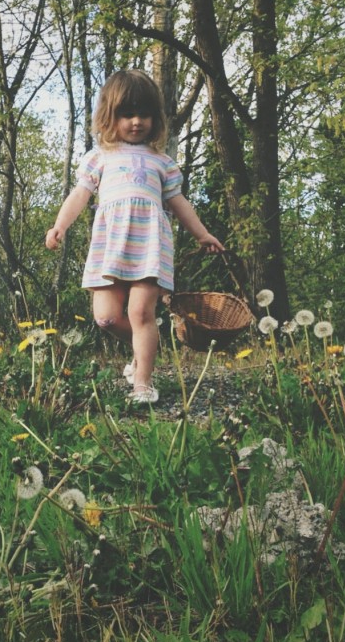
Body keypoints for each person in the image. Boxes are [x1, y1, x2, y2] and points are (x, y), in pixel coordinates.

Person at [45, 70, 224, 403]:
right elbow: (79, 195)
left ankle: (142, 382)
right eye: (127, 114)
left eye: (144, 114)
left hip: (149, 247)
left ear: (155, 119)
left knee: (141, 314)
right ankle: (144, 350)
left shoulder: (162, 162)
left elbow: (178, 202)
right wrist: (60, 225)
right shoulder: (99, 157)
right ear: (110, 117)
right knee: (107, 317)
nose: (137, 122)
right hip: (110, 246)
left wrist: (202, 234)